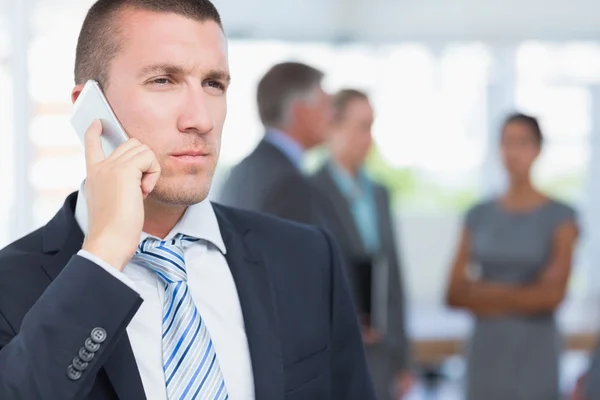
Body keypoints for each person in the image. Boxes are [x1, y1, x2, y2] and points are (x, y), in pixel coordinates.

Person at [0, 1, 376, 399]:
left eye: (214, 84)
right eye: (164, 80)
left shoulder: (306, 258)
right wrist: (104, 256)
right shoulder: (10, 288)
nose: (201, 119)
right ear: (89, 109)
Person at [445, 112, 579, 400]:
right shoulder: (478, 214)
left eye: (523, 142)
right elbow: (454, 293)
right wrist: (528, 292)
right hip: (485, 354)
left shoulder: (561, 217)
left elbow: (552, 296)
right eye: (507, 142)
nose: (513, 152)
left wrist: (481, 291)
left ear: (538, 149)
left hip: (535, 355)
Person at [311, 89, 414, 399]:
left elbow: (393, 275)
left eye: (371, 126)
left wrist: (404, 359)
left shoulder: (379, 193)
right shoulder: (309, 192)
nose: (368, 138)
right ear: (333, 127)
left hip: (382, 348)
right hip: (334, 348)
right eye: (361, 126)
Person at [217, 61, 332, 226]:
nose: (332, 115)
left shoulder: (242, 171)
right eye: (324, 104)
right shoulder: (290, 184)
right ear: (301, 111)